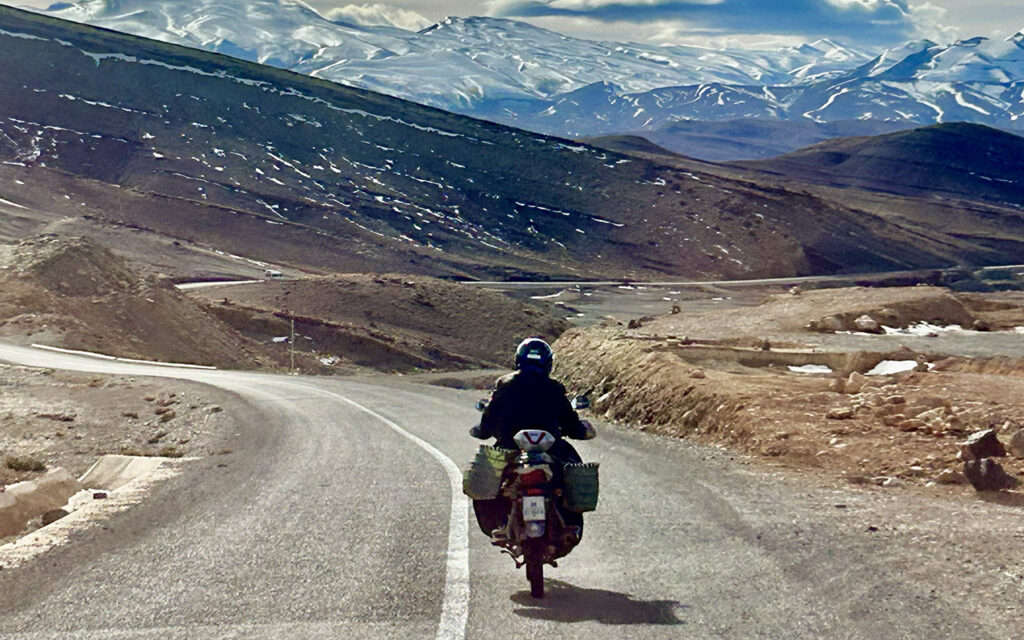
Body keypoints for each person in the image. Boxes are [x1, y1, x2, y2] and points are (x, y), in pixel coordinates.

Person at [470, 337, 596, 546]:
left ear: (518, 360)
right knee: (572, 468)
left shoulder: (504, 385)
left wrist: (482, 431)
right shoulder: (554, 388)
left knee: (489, 475)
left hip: (510, 446)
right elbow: (571, 423)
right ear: (547, 363)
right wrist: (580, 430)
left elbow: (488, 420)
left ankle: (497, 524)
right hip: (552, 446)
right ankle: (571, 525)